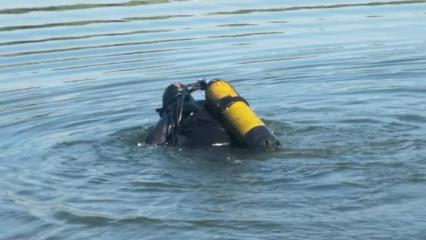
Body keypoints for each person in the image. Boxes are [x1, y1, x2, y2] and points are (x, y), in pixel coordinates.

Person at [145, 80, 280, 149]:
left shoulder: (173, 112)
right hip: (238, 145)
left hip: (208, 153)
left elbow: (153, 143)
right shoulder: (211, 104)